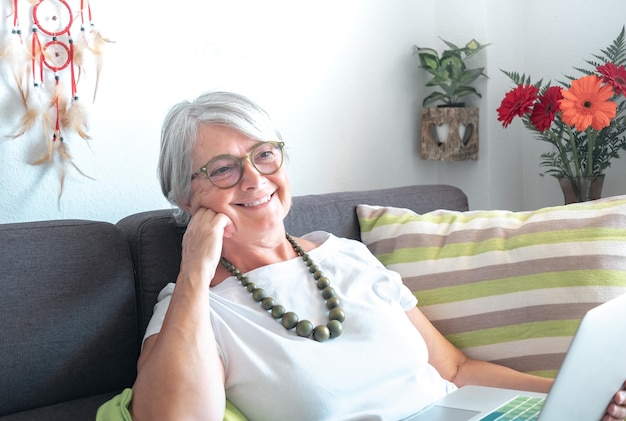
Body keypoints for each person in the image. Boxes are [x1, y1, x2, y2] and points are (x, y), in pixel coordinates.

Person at [123, 91, 625, 420]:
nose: (255, 179)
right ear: (186, 198)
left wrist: (569, 398)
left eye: (264, 155)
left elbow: (455, 371)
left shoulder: (348, 255)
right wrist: (194, 270)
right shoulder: (193, 311)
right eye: (224, 169)